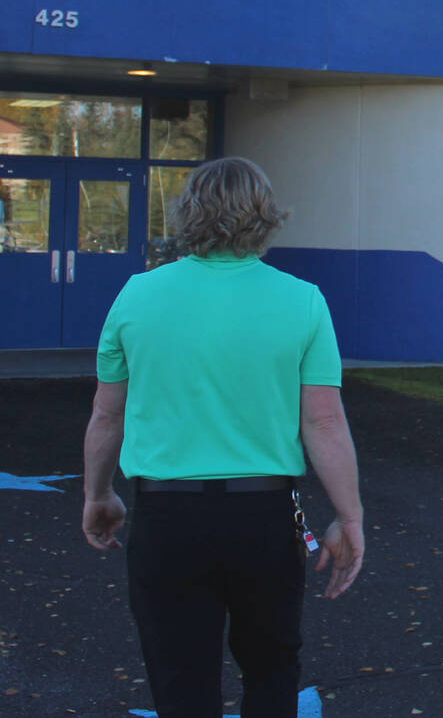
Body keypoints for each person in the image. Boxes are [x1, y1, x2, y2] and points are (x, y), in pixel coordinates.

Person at [80, 156, 364, 718]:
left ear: (189, 214)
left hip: (167, 518)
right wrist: (348, 516)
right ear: (266, 216)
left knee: (180, 678)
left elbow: (107, 415)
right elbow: (324, 421)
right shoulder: (303, 300)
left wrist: (98, 495)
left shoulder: (137, 295)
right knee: (272, 669)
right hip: (264, 519)